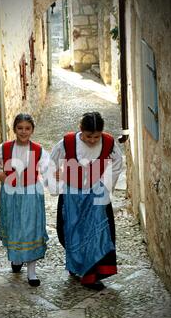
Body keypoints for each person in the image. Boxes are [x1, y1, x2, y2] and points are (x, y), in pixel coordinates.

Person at [50, 112, 123, 291]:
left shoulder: (108, 143)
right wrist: (57, 178)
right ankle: (77, 265)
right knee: (72, 230)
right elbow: (50, 163)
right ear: (80, 129)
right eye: (88, 136)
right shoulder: (67, 143)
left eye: (96, 136)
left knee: (96, 233)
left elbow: (117, 164)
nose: (92, 140)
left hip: (97, 193)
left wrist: (107, 187)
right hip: (72, 195)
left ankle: (91, 274)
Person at [0, 114, 49, 287]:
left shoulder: (38, 149)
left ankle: (32, 272)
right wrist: (0, 175)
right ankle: (16, 258)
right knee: (15, 227)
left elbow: (47, 168)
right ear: (14, 129)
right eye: (20, 128)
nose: (23, 131)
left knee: (31, 229)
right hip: (11, 195)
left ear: (32, 130)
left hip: (31, 196)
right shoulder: (5, 148)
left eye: (27, 128)